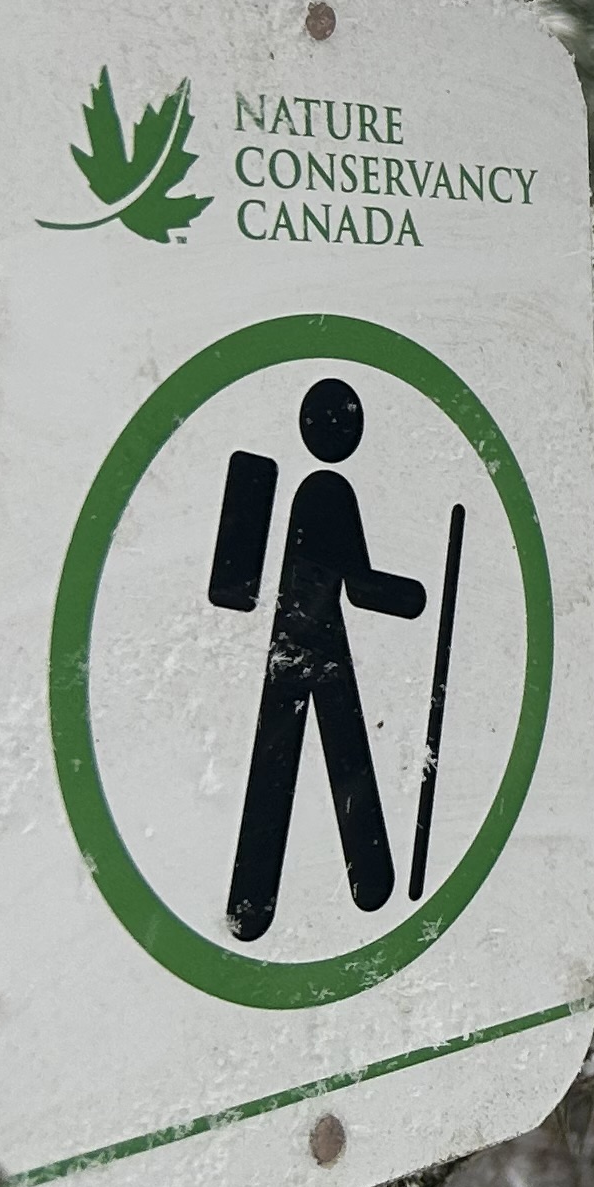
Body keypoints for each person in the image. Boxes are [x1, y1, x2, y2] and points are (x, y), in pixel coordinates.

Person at [206, 376, 428, 939]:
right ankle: (276, 903)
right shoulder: (322, 492)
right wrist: (412, 597)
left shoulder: (293, 485)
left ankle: (259, 905)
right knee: (331, 760)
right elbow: (359, 586)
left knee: (285, 763)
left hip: (300, 647)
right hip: (318, 650)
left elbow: (238, 576)